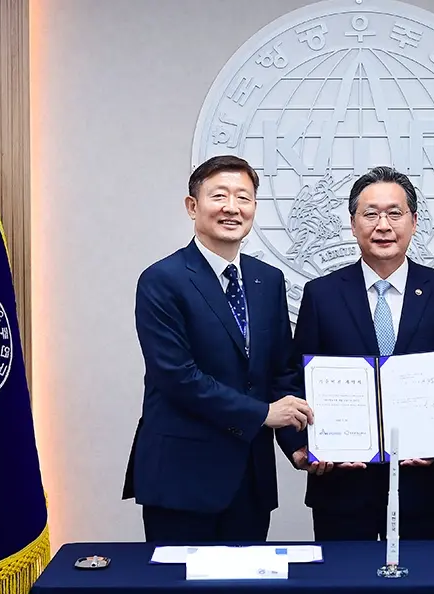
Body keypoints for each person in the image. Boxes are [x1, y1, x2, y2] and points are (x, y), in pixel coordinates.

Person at [128, 154, 315, 543]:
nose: (232, 208)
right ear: (192, 206)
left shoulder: (268, 280)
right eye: (220, 196)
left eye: (243, 198)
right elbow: (178, 377)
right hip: (182, 477)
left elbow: (280, 370)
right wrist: (264, 413)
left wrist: (298, 445)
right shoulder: (163, 280)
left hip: (250, 477)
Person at [291, 166, 434, 541]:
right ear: (353, 222)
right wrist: (301, 447)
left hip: (421, 480)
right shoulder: (321, 294)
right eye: (371, 213)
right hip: (341, 481)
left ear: (413, 221)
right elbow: (297, 378)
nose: (383, 225)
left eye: (395, 213)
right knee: (342, 593)